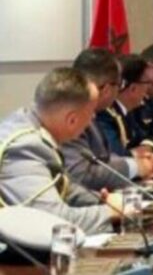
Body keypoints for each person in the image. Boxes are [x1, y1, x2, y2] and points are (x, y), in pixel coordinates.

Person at [0, 68, 122, 233]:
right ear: (72, 120)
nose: (93, 118)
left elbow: (62, 186)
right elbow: (53, 223)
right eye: (91, 112)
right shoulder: (24, 147)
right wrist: (111, 212)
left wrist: (99, 200)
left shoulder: (30, 123)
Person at [62, 49, 153, 191]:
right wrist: (136, 167)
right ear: (106, 89)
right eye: (119, 85)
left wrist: (139, 163)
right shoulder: (70, 116)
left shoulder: (93, 113)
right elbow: (81, 175)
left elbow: (104, 158)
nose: (120, 91)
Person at [96, 55, 153, 180]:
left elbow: (146, 138)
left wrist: (148, 154)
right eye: (147, 83)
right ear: (133, 88)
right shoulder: (105, 114)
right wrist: (140, 160)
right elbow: (116, 154)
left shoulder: (127, 112)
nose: (148, 90)